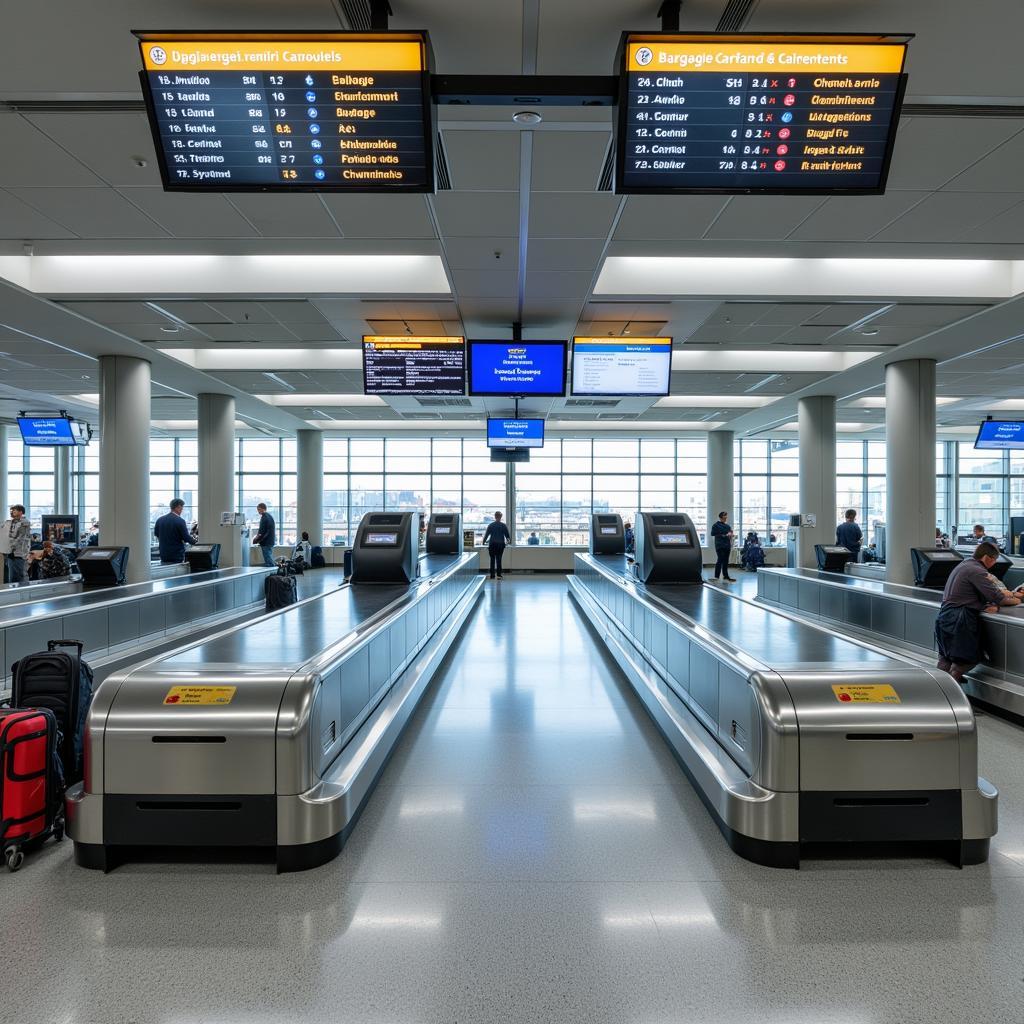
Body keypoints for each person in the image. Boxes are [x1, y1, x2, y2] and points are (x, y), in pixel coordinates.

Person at [935, 542, 1021, 684]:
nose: (994, 564)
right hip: (959, 620)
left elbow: (968, 593)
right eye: (994, 560)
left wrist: (982, 604)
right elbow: (998, 598)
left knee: (946, 657)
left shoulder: (965, 564)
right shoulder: (977, 571)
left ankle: (939, 694)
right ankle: (951, 688)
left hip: (945, 616)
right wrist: (1017, 601)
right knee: (965, 661)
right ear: (987, 558)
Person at [153, 498, 191, 565]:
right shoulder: (180, 521)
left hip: (163, 554)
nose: (182, 510)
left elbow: (157, 534)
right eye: (182, 508)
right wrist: (197, 542)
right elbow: (186, 538)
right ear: (178, 507)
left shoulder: (160, 520)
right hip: (177, 555)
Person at [1, 505, 32, 584]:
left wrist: (10, 546)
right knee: (11, 575)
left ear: (20, 512)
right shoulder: (10, 522)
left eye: (14, 510)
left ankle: (23, 592)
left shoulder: (24, 523)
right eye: (12, 510)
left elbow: (21, 538)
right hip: (10, 552)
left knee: (20, 574)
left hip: (19, 553)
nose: (12, 512)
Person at [482, 511, 510, 580]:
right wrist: (508, 542)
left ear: (495, 516)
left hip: (492, 544)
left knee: (492, 559)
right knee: (499, 559)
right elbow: (508, 537)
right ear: (501, 517)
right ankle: (499, 575)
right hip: (500, 544)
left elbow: (486, 535)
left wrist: (483, 542)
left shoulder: (491, 525)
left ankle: (492, 575)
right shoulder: (503, 525)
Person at [710, 511, 735, 582]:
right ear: (720, 517)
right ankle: (716, 576)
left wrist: (731, 534)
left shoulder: (727, 526)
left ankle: (725, 576)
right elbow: (713, 534)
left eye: (726, 516)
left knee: (726, 561)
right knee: (720, 560)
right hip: (720, 545)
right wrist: (724, 535)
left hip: (727, 545)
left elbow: (730, 532)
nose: (726, 517)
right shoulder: (715, 525)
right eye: (724, 516)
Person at [253, 502, 276, 567]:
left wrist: (257, 539)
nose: (258, 511)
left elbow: (262, 531)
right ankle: (273, 572)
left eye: (259, 509)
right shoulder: (269, 516)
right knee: (269, 556)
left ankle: (272, 573)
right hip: (270, 540)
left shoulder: (264, 517)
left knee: (268, 559)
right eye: (258, 510)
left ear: (263, 509)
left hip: (266, 542)